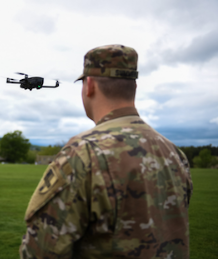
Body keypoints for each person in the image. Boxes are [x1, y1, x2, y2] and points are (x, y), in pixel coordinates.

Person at [19, 44, 193, 259]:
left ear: (88, 85)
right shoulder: (174, 152)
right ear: (134, 88)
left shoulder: (83, 152)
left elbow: (42, 251)